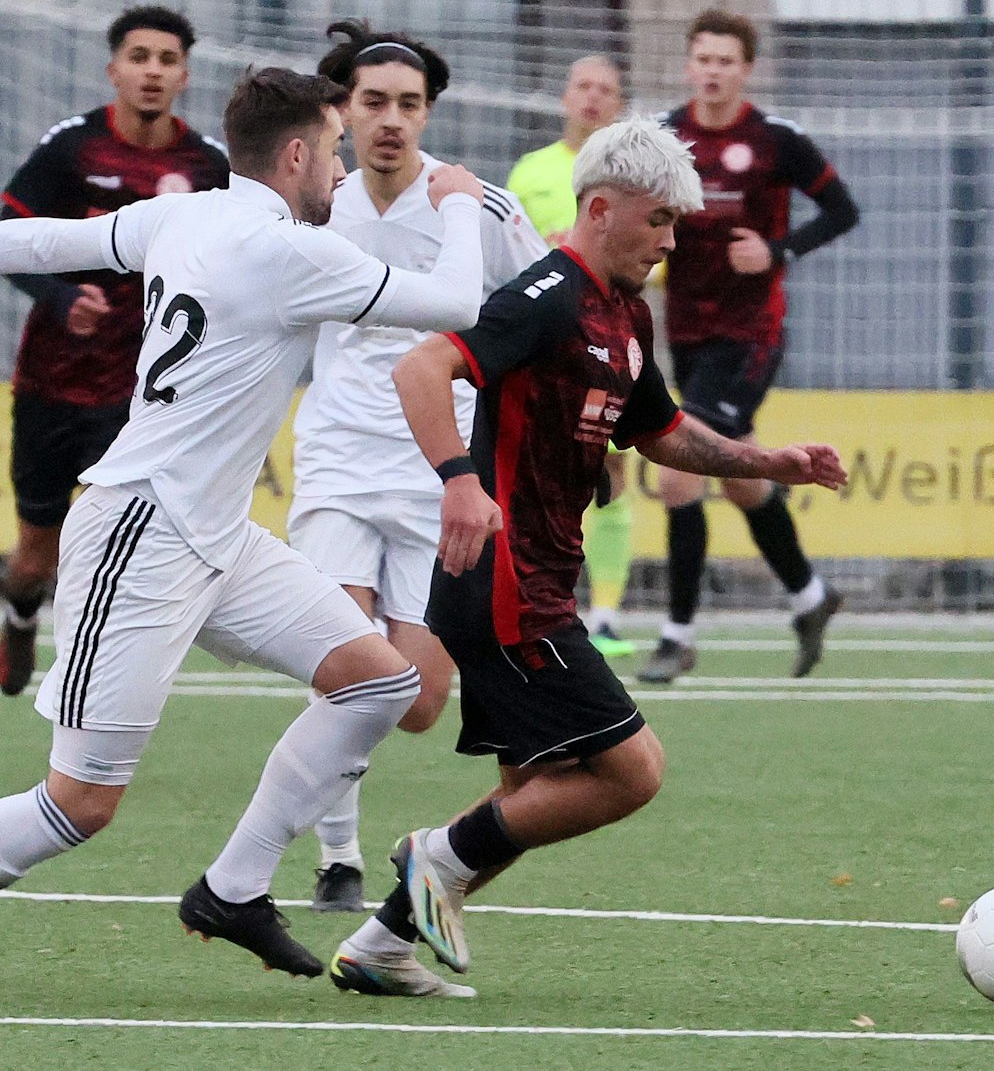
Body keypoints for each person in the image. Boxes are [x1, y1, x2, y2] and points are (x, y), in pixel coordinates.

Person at [0, 66, 493, 1004]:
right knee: (78, 804)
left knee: (379, 680)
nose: (337, 172)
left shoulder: (190, 213)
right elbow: (457, 303)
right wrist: (456, 205)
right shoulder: (289, 252)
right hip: (141, 532)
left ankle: (234, 888)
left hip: (216, 534)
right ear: (296, 154)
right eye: (331, 151)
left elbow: (54, 238)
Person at [326, 118, 847, 999]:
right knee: (631, 769)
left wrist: (766, 461)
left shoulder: (623, 312)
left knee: (529, 797)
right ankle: (432, 855)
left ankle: (380, 944)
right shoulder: (548, 295)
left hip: (529, 578)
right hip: (504, 582)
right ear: (600, 208)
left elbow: (664, 432)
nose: (671, 242)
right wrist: (458, 479)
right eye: (658, 223)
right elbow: (421, 368)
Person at [288, 20, 546, 914]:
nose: (390, 119)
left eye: (408, 103)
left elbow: (548, 311)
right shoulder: (308, 201)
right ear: (344, 112)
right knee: (349, 665)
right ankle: (336, 856)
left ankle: (362, 844)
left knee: (422, 698)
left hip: (441, 477)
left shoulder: (478, 205)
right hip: (335, 467)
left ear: (429, 113)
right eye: (373, 102)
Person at [0, 6, 231, 698]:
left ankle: (89, 679)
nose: (152, 70)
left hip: (141, 395)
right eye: (139, 56)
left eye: (166, 59)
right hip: (50, 384)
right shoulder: (72, 148)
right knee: (37, 549)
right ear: (114, 70)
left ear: (183, 74)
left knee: (110, 542)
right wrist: (61, 299)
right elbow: (10, 236)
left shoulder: (205, 165)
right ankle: (19, 614)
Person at [640, 9, 862, 685]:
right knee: (739, 478)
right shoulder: (662, 136)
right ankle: (810, 596)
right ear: (688, 65)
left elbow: (842, 209)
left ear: (746, 69)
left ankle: (676, 635)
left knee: (679, 468)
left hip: (754, 334)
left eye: (726, 61)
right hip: (687, 330)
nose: (713, 71)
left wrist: (777, 250)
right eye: (703, 58)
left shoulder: (775, 141)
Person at [507, 55, 639, 657]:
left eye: (605, 90)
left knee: (610, 475)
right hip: (541, 355)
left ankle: (605, 614)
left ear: (619, 103)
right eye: (582, 86)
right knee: (533, 479)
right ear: (564, 97)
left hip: (609, 348)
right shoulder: (530, 172)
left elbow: (658, 262)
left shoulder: (632, 179)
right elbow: (501, 259)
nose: (592, 98)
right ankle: (535, 602)